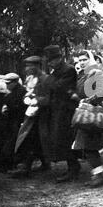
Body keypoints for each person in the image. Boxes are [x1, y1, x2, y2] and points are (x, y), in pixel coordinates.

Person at [41, 45, 80, 183]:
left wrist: (49, 80)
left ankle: (73, 168)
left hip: (66, 110)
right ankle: (72, 166)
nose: (50, 63)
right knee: (60, 139)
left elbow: (58, 87)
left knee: (66, 138)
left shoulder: (68, 69)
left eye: (52, 60)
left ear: (59, 58)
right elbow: (50, 85)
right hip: (56, 109)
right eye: (49, 60)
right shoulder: (56, 71)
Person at [72, 50, 103, 187]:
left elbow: (101, 93)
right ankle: (98, 173)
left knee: (89, 146)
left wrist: (86, 100)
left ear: (90, 59)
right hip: (84, 112)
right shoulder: (82, 74)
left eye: (84, 60)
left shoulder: (96, 72)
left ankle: (99, 176)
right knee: (87, 146)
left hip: (93, 113)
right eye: (79, 60)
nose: (81, 62)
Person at [11, 56, 50, 178]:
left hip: (43, 115)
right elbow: (26, 94)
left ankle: (26, 168)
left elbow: (48, 99)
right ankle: (39, 164)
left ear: (38, 66)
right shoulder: (30, 79)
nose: (27, 68)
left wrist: (36, 100)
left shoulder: (45, 79)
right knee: (31, 140)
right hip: (31, 115)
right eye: (26, 66)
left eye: (30, 66)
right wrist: (27, 99)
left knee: (34, 139)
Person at [0, 73, 27, 172]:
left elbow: (19, 107)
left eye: (8, 83)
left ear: (15, 82)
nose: (6, 85)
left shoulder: (21, 92)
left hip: (19, 121)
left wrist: (8, 108)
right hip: (12, 121)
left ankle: (10, 165)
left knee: (13, 143)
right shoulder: (12, 91)